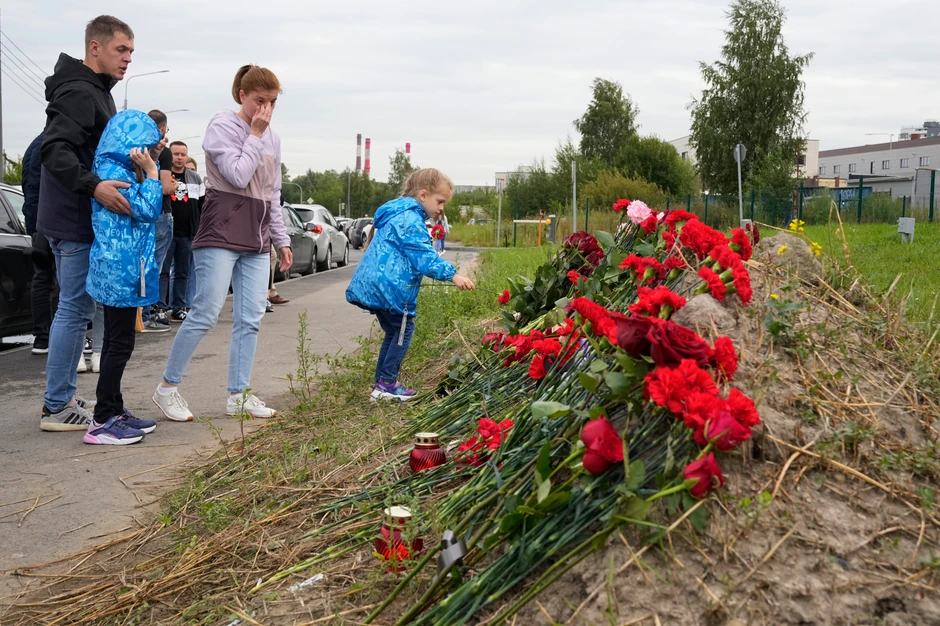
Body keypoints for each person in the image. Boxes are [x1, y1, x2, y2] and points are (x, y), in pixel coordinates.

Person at [152, 64, 292, 422]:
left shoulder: (272, 136)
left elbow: (272, 193)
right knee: (206, 311)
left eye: (273, 102)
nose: (266, 110)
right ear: (242, 96)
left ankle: (239, 394)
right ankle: (167, 388)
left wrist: (281, 238)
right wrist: (256, 135)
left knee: (251, 318)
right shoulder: (222, 126)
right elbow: (237, 174)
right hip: (222, 228)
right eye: (260, 101)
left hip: (257, 235)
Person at [36, 15, 136, 432]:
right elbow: (54, 149)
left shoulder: (91, 89)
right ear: (95, 47)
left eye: (131, 52)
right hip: (75, 217)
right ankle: (56, 406)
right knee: (75, 309)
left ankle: (60, 397)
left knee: (77, 308)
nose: (127, 59)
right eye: (121, 50)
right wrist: (94, 187)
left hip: (70, 216)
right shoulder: (81, 90)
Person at [346, 168, 475, 401]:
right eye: (440, 201)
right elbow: (424, 257)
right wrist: (453, 276)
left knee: (394, 331)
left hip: (375, 285)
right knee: (404, 330)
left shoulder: (398, 213)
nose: (442, 208)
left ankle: (381, 384)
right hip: (392, 289)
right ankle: (386, 384)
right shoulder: (411, 220)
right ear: (423, 195)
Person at [83, 110, 163, 444]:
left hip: (122, 267)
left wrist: (145, 169)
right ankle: (103, 420)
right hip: (120, 269)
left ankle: (114, 409)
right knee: (118, 344)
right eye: (145, 145)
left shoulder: (113, 168)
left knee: (120, 341)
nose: (147, 151)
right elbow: (147, 210)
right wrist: (152, 172)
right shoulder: (114, 172)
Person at [22, 131, 60, 357]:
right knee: (64, 278)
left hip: (35, 219)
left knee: (42, 277)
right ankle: (57, 335)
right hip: (54, 217)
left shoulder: (33, 145)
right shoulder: (58, 143)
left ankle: (42, 338)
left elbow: (29, 185)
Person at [139, 109, 175, 333]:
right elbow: (165, 187)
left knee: (141, 265)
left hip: (140, 214)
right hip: (160, 214)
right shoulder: (164, 153)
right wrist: (172, 184)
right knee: (155, 267)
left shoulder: (136, 149)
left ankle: (138, 316)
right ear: (162, 128)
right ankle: (145, 316)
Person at [160, 140, 201, 322]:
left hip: (187, 233)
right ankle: (160, 307)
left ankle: (178, 307)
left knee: (183, 272)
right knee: (163, 271)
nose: (179, 158)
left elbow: (203, 205)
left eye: (183, 154)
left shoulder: (195, 178)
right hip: (167, 232)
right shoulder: (164, 175)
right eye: (176, 154)